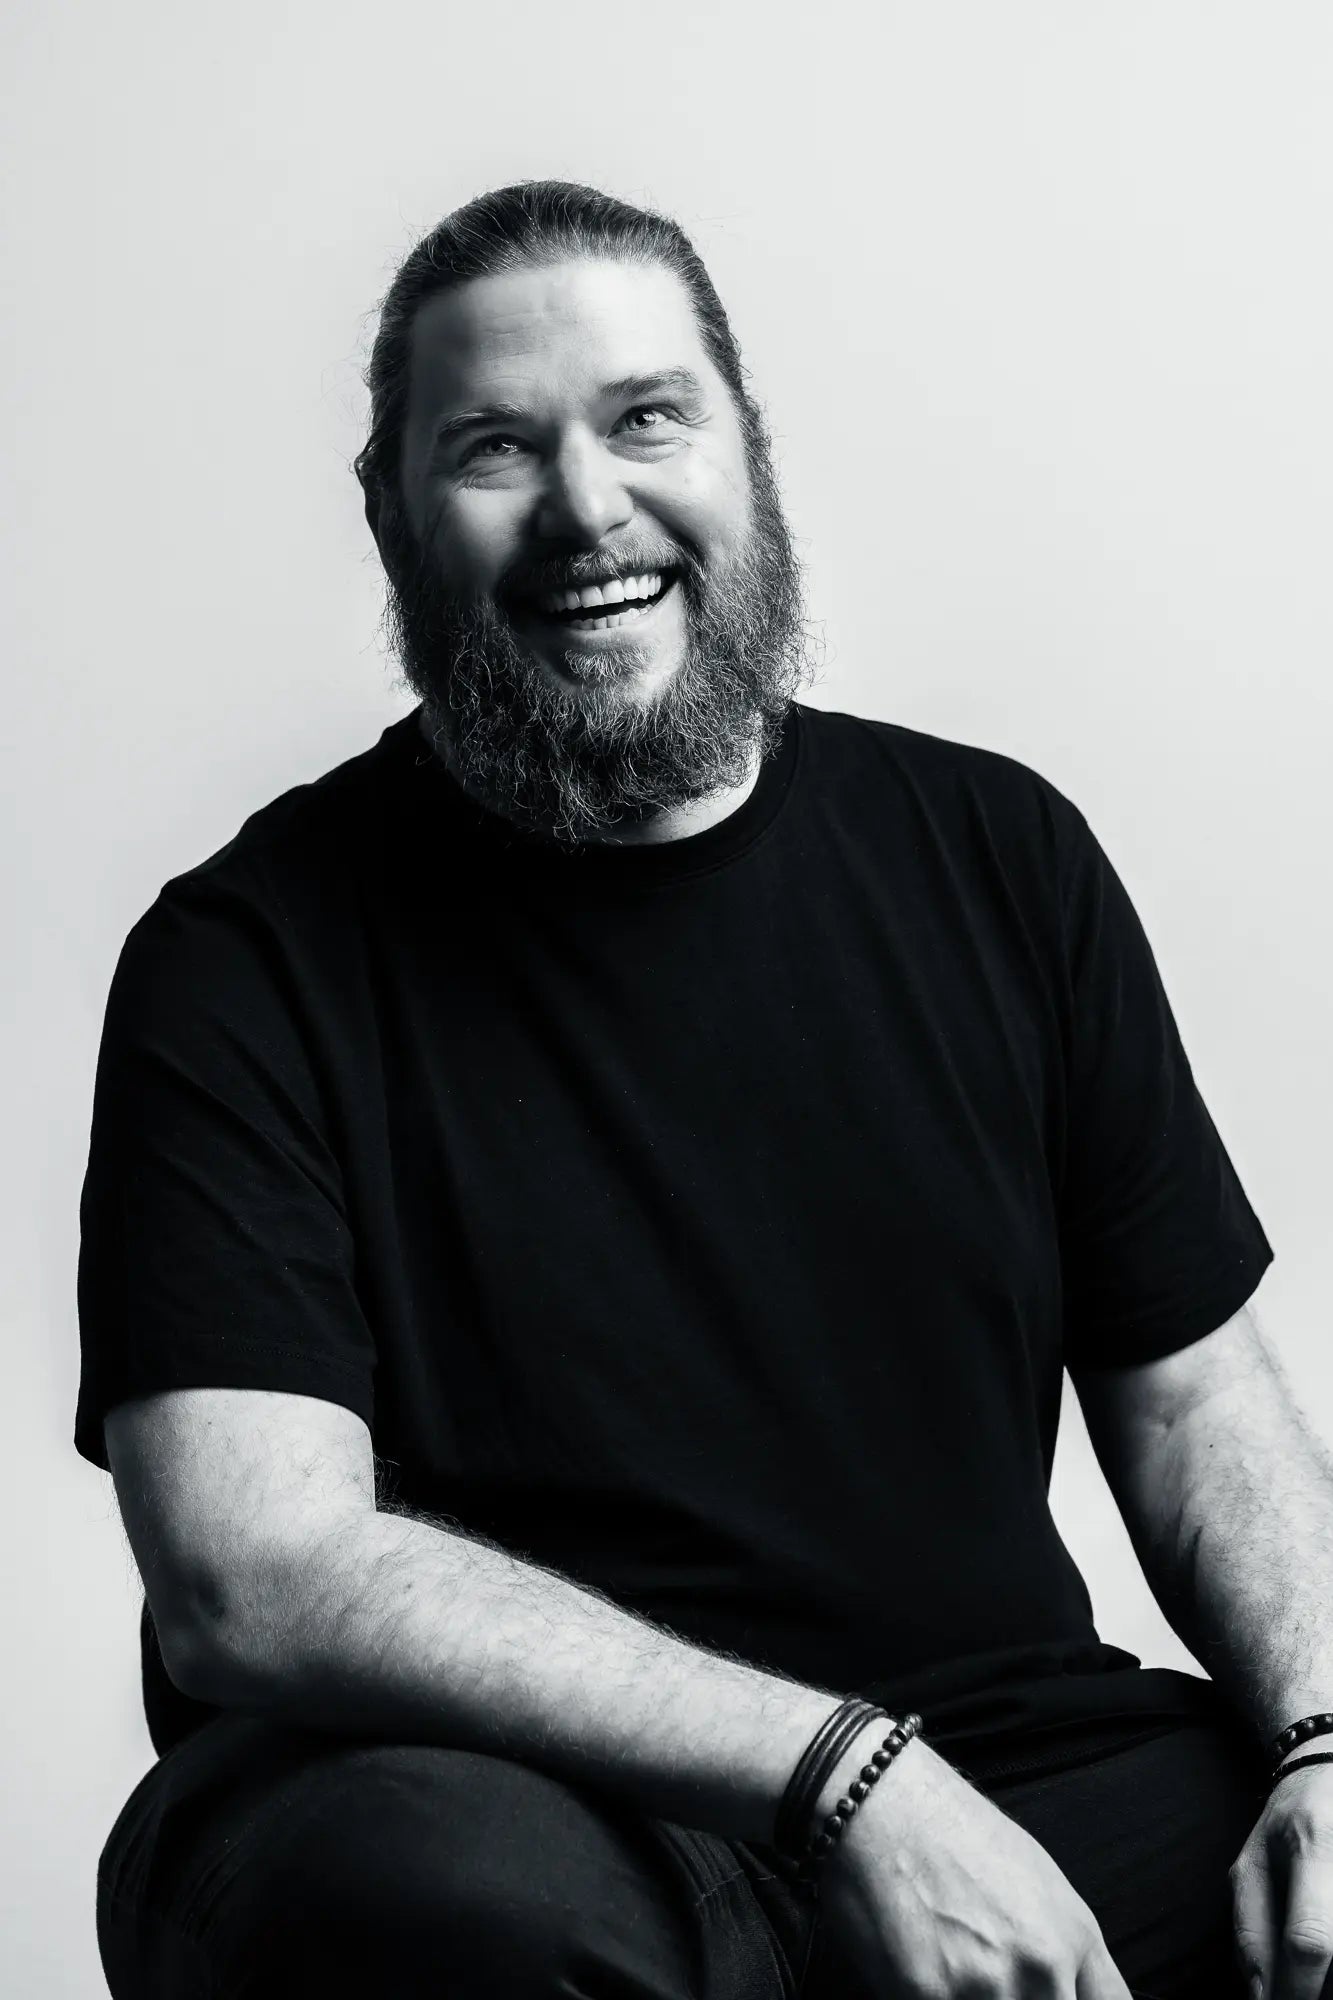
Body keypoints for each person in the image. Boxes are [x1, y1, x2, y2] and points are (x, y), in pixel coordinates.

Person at [75, 180, 1327, 2000]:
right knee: (435, 1899)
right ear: (389, 513)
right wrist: (835, 1775)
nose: (587, 507)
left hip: (1006, 1767)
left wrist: (1319, 1736)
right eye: (496, 446)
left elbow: (1197, 1399)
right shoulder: (243, 959)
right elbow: (249, 1574)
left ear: (748, 447)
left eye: (646, 418)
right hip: (501, 1808)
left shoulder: (997, 854)